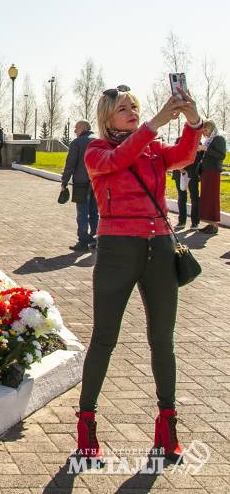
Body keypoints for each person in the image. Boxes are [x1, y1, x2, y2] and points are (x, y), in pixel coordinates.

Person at [75, 86, 201, 463]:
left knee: (163, 339)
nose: (131, 112)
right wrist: (156, 122)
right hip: (117, 250)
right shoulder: (96, 151)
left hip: (160, 248)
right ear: (107, 117)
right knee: (104, 338)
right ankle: (86, 426)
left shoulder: (154, 150)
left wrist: (192, 120)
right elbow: (118, 159)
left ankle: (167, 427)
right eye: (123, 109)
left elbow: (183, 156)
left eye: (134, 107)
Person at [61, 120, 97, 251]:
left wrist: (64, 181)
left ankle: (82, 241)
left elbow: (70, 164)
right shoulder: (99, 141)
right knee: (95, 212)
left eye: (76, 128)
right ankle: (95, 239)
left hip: (81, 183)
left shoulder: (77, 143)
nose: (75, 131)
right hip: (97, 183)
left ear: (82, 128)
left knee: (82, 213)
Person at [197, 120, 226, 235]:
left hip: (213, 171)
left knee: (212, 197)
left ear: (212, 128)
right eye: (203, 129)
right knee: (207, 198)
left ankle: (214, 225)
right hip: (206, 172)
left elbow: (221, 155)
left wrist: (206, 149)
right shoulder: (208, 140)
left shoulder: (218, 139)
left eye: (206, 129)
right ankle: (210, 223)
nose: (204, 131)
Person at [171, 150, 201, 230]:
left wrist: (185, 166)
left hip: (192, 173)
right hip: (179, 173)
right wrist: (179, 167)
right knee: (181, 197)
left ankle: (195, 222)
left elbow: (198, 158)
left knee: (194, 197)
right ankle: (181, 221)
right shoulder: (179, 141)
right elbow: (174, 155)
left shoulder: (197, 143)